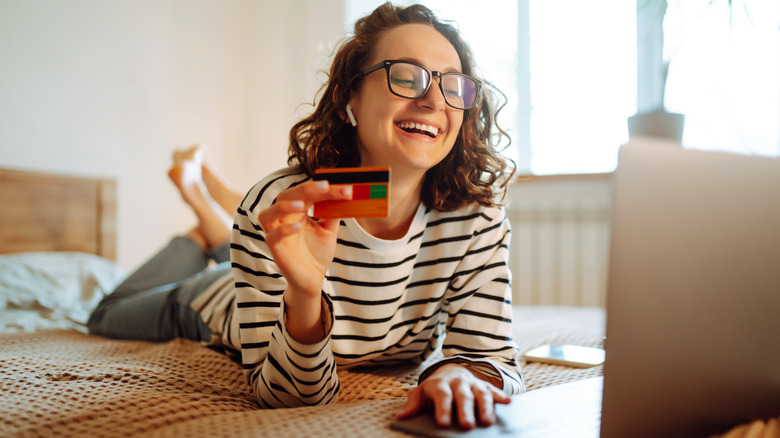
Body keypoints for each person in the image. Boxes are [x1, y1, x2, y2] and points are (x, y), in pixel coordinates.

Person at [89, 2, 523, 431]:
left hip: (264, 246)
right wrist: (303, 291)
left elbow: (490, 358)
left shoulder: (476, 220)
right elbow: (290, 398)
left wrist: (458, 373)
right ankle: (201, 213)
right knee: (105, 314)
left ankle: (206, 206)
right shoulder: (276, 201)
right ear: (351, 94)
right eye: (406, 77)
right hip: (216, 301)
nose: (432, 100)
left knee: (257, 229)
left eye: (453, 85)